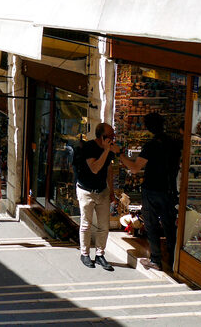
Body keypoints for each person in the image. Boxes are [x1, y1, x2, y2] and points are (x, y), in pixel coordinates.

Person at [118, 113, 180, 271]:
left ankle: (156, 260)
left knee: (151, 225)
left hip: (152, 189)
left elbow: (134, 168)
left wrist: (119, 154)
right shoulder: (174, 143)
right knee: (169, 226)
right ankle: (174, 261)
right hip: (169, 189)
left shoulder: (151, 145)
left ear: (148, 127)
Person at [75, 123, 119, 271]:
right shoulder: (89, 147)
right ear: (102, 137)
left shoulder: (110, 149)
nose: (113, 138)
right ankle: (84, 254)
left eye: (113, 135)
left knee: (104, 226)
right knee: (86, 224)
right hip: (86, 190)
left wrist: (111, 191)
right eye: (110, 136)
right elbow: (95, 168)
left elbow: (108, 169)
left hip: (102, 191)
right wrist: (106, 150)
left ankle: (100, 254)